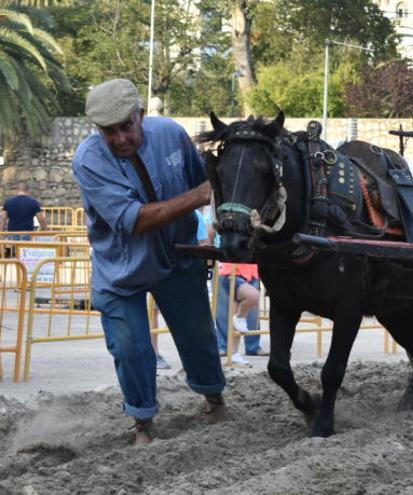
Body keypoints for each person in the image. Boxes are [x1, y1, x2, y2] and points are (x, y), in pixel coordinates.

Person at [72, 79, 226, 445]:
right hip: (121, 269)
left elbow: (202, 179)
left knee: (199, 335)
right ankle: (142, 422)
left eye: (127, 125)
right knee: (131, 348)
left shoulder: (170, 133)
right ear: (98, 130)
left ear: (141, 115)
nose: (121, 137)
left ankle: (214, 400)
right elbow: (136, 220)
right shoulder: (89, 159)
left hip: (178, 256)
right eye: (109, 131)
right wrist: (201, 195)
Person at [150, 207, 211, 370]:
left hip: (165, 271)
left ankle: (156, 352)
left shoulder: (166, 213)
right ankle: (193, 361)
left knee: (154, 314)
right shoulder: (195, 215)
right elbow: (204, 244)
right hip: (181, 274)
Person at [204, 209, 267, 362]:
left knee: (251, 309)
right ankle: (224, 345)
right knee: (224, 308)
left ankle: (253, 345)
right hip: (225, 264)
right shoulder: (217, 213)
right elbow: (209, 236)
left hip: (250, 265)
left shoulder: (251, 213)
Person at [1, 182, 48, 256]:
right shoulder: (34, 203)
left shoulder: (8, 202)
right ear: (28, 191)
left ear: (17, 190)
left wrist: (2, 233)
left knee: (13, 256)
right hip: (27, 235)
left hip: (12, 235)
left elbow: (3, 219)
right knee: (25, 256)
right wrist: (46, 232)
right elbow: (41, 220)